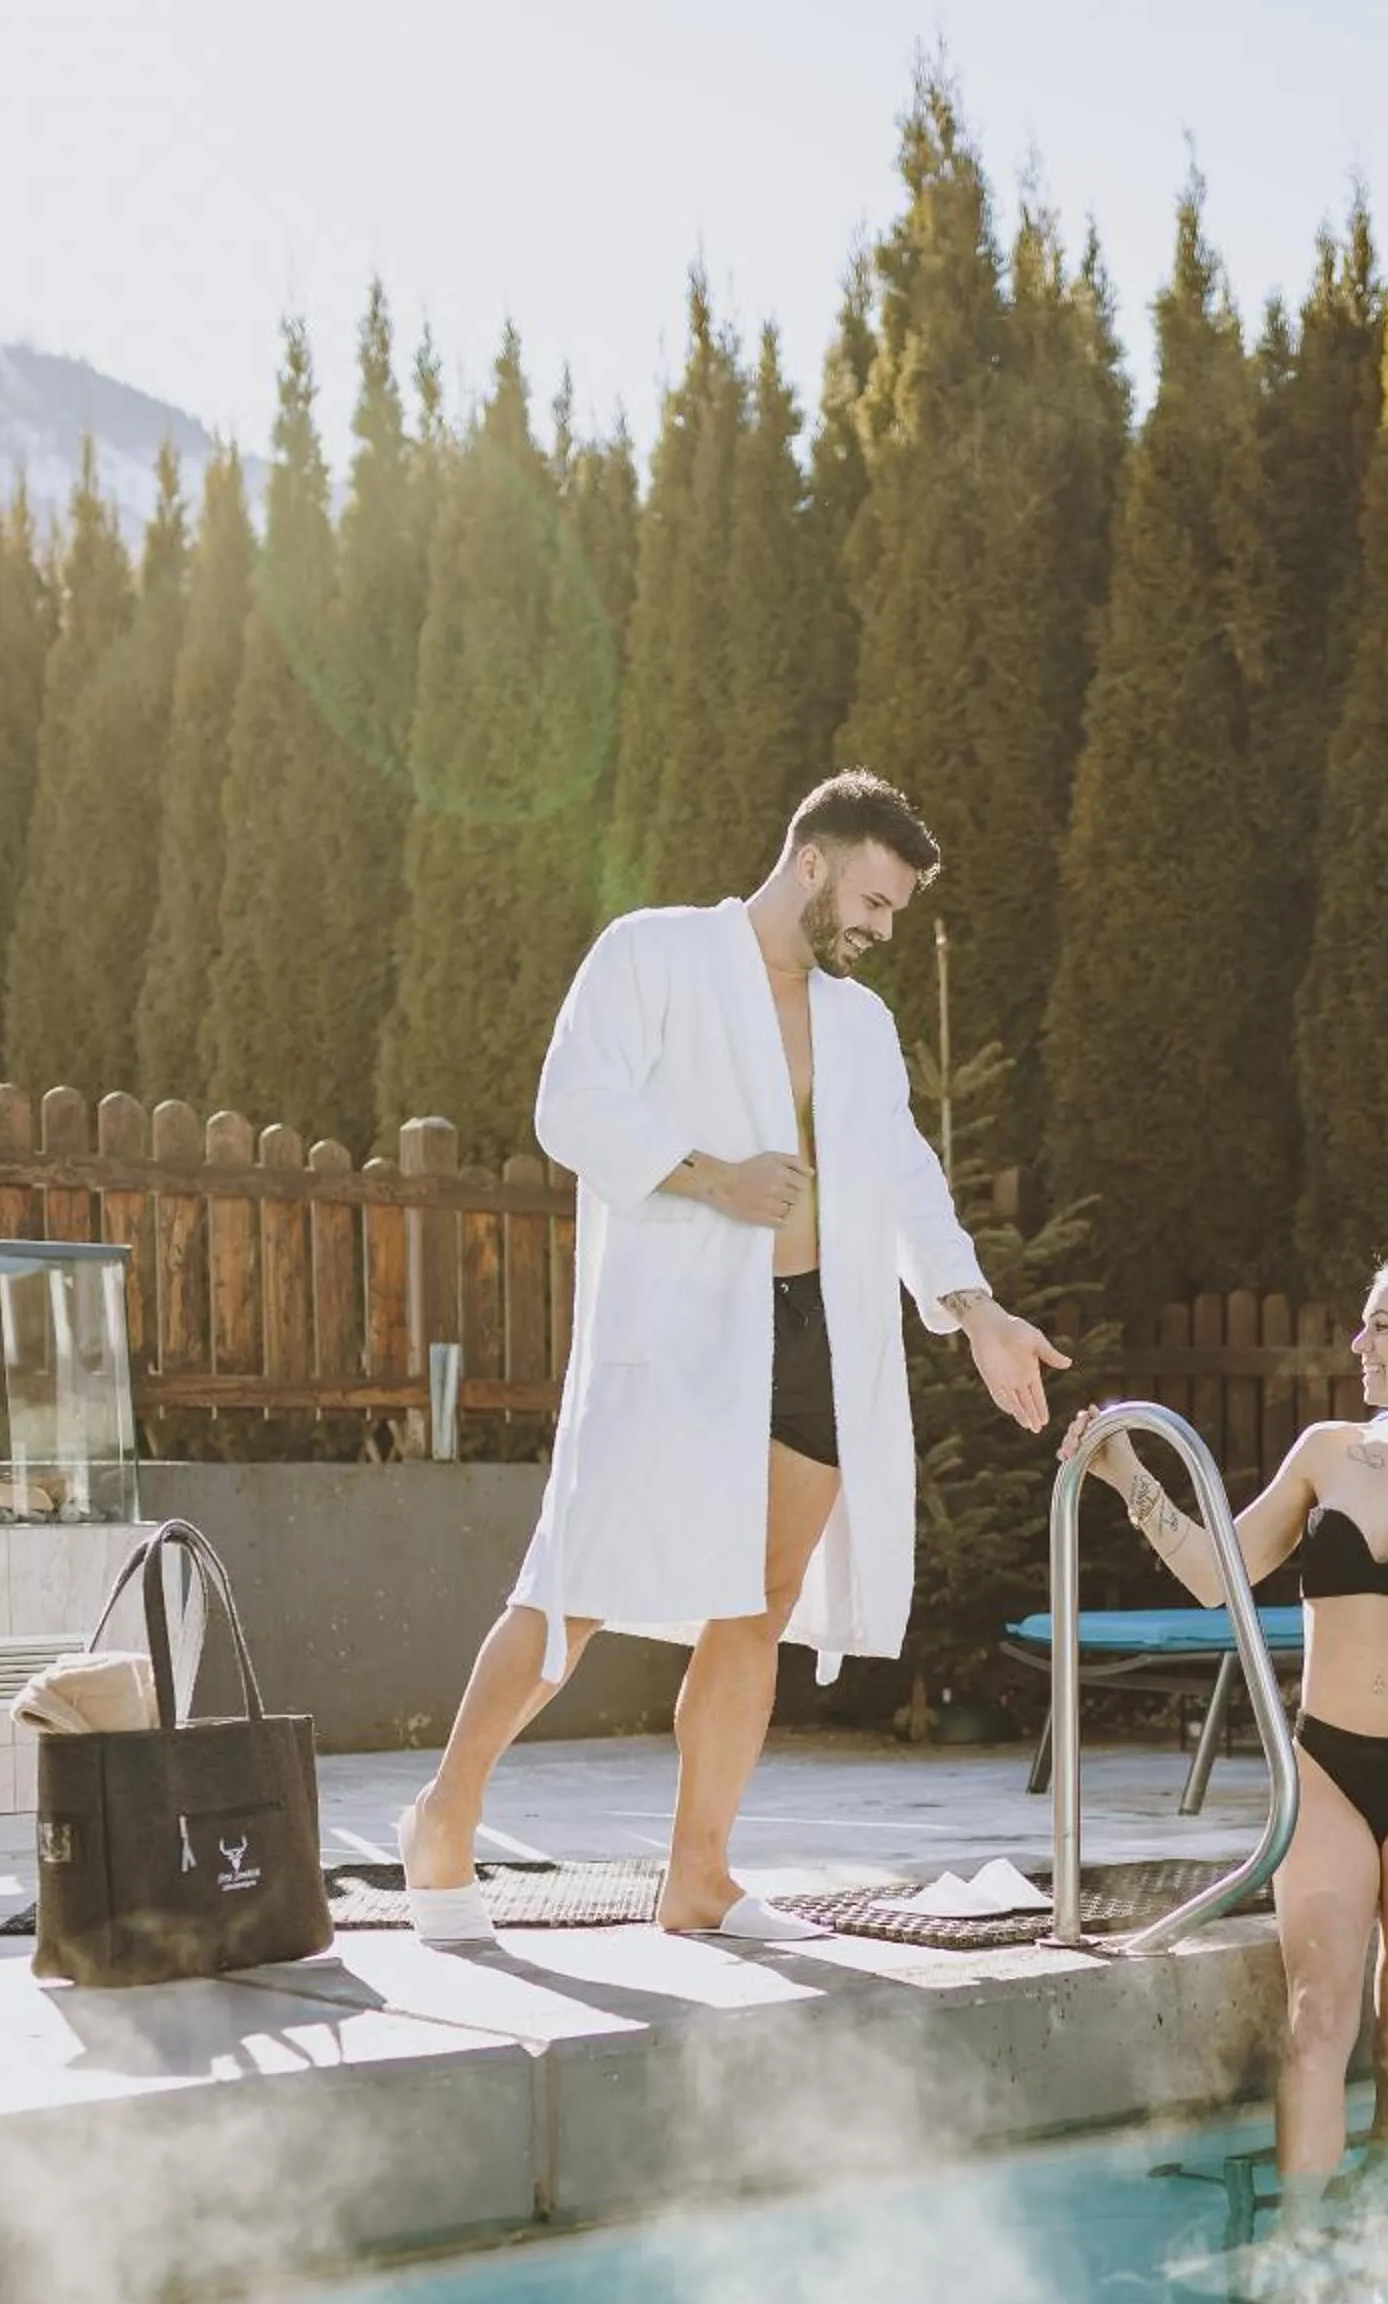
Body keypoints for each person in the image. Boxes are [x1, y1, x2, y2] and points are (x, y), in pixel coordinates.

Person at [400, 771, 1068, 1945]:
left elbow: (907, 1175)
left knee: (757, 1607)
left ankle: (698, 1874)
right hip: (681, 1335)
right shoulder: (652, 956)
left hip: (821, 1334)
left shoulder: (859, 1021)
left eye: (897, 911)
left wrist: (975, 1309)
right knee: (578, 1585)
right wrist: (715, 1175)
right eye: (874, 899)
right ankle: (443, 1817)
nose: (882, 927)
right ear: (812, 861)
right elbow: (571, 1104)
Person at [1061, 1247, 1388, 2193]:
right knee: (1316, 2022)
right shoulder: (1327, 1453)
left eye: (1380, 1324)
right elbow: (1220, 1577)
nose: (1358, 1341)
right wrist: (1129, 1478)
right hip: (1325, 1767)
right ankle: (1298, 2252)